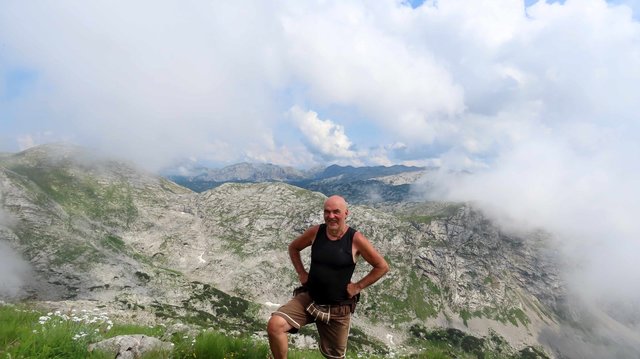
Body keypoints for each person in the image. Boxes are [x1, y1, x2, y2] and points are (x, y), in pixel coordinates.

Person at [267, 195, 389, 359]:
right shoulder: (316, 232)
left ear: (346, 213)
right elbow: (294, 248)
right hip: (310, 298)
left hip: (338, 309)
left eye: (336, 212)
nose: (331, 216)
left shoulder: (355, 239)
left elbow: (382, 266)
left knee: (335, 357)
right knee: (275, 325)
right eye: (327, 212)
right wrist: (302, 273)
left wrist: (358, 286)